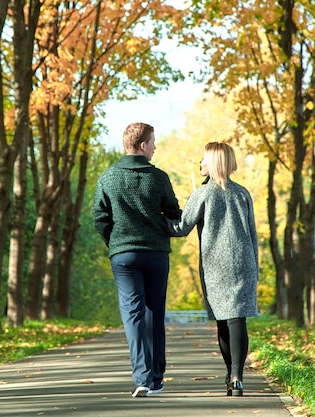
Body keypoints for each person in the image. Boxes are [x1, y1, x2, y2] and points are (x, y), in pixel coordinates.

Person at [92, 122, 181, 398]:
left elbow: (99, 216)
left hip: (124, 255)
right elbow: (174, 211)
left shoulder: (107, 177)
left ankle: (141, 378)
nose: (155, 147)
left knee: (132, 315)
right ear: (142, 145)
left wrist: (115, 243)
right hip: (156, 253)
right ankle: (156, 378)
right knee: (154, 314)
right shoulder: (159, 178)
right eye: (153, 142)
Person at [166, 141, 259, 396]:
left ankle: (231, 374)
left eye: (204, 159)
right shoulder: (242, 193)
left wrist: (154, 218)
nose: (200, 163)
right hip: (244, 263)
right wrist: (256, 268)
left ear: (214, 162)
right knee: (237, 318)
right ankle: (237, 377)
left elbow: (181, 228)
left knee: (222, 321)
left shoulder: (203, 193)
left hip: (216, 266)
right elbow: (253, 234)